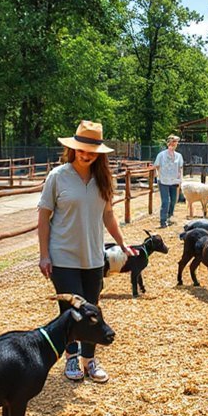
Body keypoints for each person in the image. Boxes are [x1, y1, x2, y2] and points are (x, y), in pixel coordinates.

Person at [38, 120, 135, 383]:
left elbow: (108, 215)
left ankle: (89, 360)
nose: (86, 154)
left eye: (91, 150)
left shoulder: (103, 179)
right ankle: (71, 358)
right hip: (63, 256)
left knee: (92, 310)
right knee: (71, 312)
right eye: (81, 149)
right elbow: (44, 216)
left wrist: (122, 242)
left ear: (99, 152)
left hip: (93, 257)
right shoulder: (58, 176)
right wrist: (44, 254)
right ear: (73, 149)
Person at [154, 134, 184, 228]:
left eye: (176, 142)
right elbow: (157, 166)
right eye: (173, 142)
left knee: (173, 201)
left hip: (174, 181)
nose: (174, 144)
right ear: (168, 143)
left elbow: (180, 168)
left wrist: (180, 180)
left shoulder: (179, 156)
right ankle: (163, 220)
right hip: (163, 181)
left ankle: (169, 216)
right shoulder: (161, 155)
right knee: (166, 201)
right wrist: (158, 176)